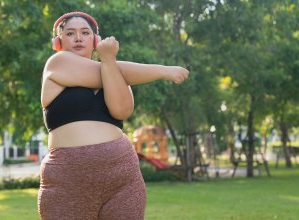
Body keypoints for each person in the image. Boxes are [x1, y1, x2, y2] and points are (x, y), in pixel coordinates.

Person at [38, 11, 189, 220]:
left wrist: (108, 60)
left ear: (95, 40)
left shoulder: (114, 71)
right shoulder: (57, 63)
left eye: (85, 32)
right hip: (69, 176)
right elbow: (113, 71)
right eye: (70, 33)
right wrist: (162, 71)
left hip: (122, 175)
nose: (79, 38)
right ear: (58, 42)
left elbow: (122, 111)